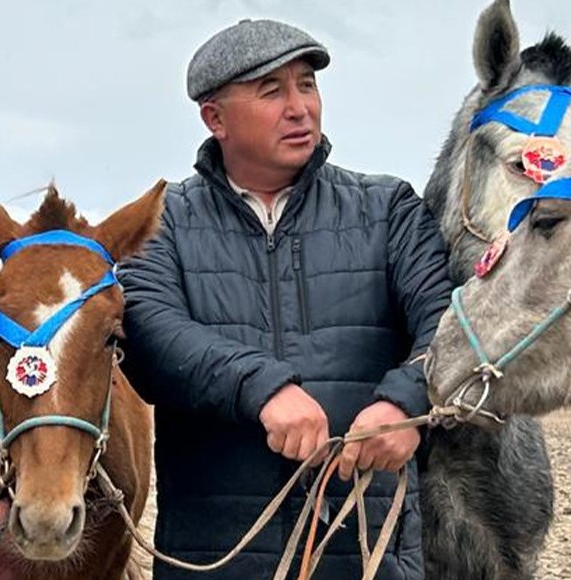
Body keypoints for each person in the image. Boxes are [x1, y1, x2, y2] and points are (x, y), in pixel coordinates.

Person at [120, 18, 451, 580]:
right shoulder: (164, 222)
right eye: (271, 91)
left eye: (307, 85)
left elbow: (448, 318)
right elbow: (151, 332)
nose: (300, 107)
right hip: (215, 556)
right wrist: (260, 385)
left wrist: (407, 402)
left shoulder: (388, 208)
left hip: (366, 548)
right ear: (215, 118)